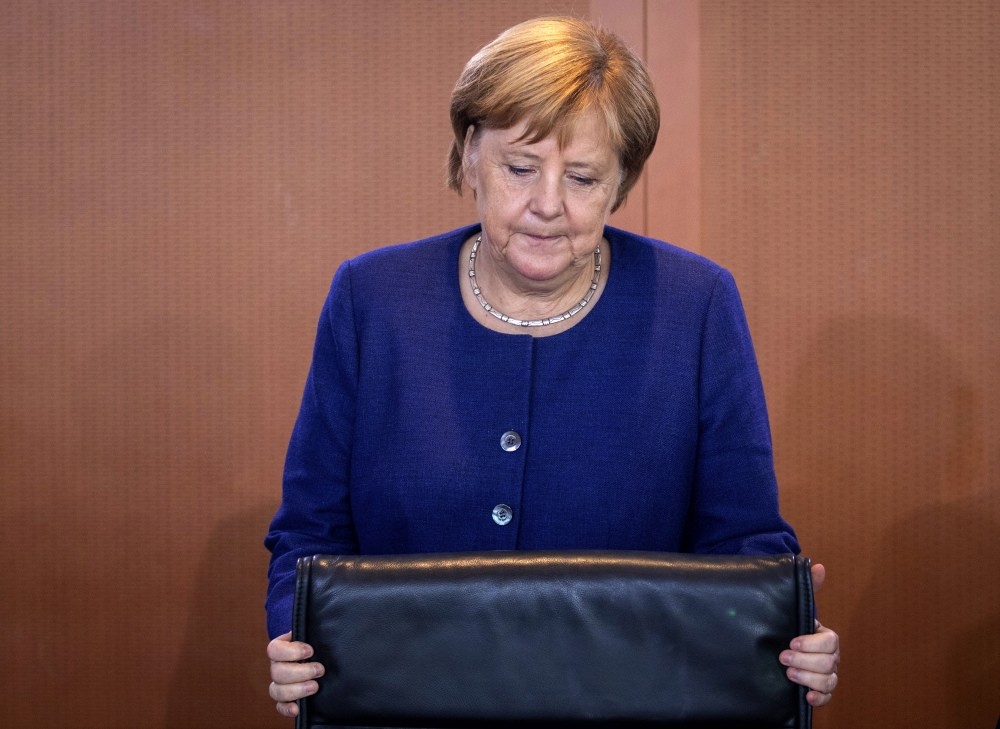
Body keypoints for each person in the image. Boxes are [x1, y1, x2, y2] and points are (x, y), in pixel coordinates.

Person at [265, 16, 840, 719]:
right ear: (470, 152)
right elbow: (311, 533)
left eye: (583, 177)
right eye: (519, 167)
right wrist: (293, 638)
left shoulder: (696, 305)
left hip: (630, 707)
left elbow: (741, 540)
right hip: (401, 707)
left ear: (621, 182)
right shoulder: (371, 298)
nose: (547, 205)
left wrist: (783, 629)